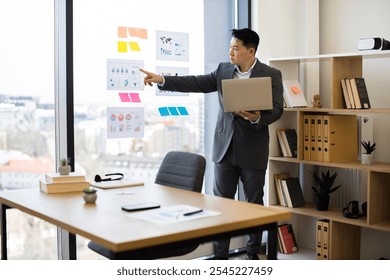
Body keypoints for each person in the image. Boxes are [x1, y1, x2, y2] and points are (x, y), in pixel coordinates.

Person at [140, 28, 284, 260]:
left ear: (250, 51)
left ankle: (252, 253)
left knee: (254, 203)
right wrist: (162, 80)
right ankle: (220, 256)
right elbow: (196, 82)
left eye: (235, 48)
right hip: (224, 149)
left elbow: (277, 110)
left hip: (253, 148)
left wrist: (255, 116)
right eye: (230, 47)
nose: (230, 52)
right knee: (220, 205)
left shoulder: (271, 74)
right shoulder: (223, 70)